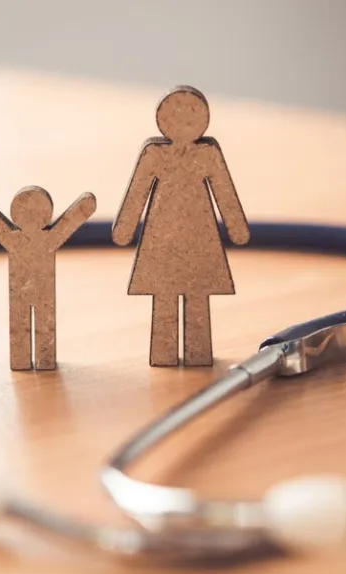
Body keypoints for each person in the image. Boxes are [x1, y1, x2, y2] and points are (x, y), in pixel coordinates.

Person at [111, 86, 250, 367]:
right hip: (161, 236)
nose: (183, 123)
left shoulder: (207, 155)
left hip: (200, 236)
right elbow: (137, 191)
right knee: (164, 294)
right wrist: (124, 229)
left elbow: (224, 193)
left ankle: (198, 354)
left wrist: (237, 228)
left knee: (197, 294)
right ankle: (164, 354)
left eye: (191, 115)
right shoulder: (154, 155)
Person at [0, 187, 97, 370]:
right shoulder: (35, 239)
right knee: (27, 324)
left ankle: (36, 360)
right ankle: (31, 360)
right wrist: (86, 206)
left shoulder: (26, 239)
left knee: (39, 324)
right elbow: (73, 219)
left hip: (36, 292)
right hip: (27, 292)